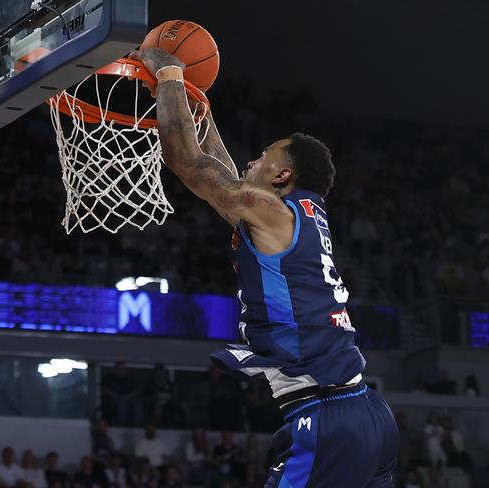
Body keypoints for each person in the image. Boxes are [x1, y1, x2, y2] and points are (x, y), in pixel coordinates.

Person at [130, 46, 398, 487]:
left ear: (280, 177)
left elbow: (189, 164)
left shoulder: (271, 210)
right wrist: (197, 106)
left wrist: (172, 74)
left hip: (328, 419)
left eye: (264, 155)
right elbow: (225, 176)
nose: (253, 159)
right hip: (366, 413)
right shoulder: (301, 212)